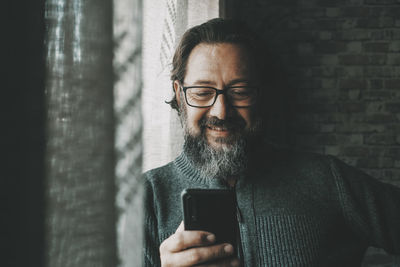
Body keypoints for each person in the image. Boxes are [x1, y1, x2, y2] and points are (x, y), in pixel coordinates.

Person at [141, 18, 400, 266]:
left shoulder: (328, 180)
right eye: (202, 93)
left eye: (240, 92)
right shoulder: (146, 198)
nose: (221, 112)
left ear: (262, 93)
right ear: (179, 93)